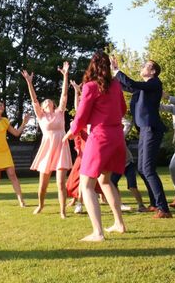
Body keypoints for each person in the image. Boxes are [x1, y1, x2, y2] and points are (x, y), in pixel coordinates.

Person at [63, 51, 127, 242]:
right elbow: (123, 109)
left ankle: (98, 233)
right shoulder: (116, 85)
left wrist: (69, 133)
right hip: (117, 137)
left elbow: (81, 117)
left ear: (91, 66)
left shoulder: (90, 87)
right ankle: (119, 224)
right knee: (105, 181)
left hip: (100, 138)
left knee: (86, 185)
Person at [111, 57, 172, 218]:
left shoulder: (154, 83)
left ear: (152, 71)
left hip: (151, 128)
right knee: (142, 169)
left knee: (148, 169)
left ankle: (163, 209)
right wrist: (113, 72)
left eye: (146, 66)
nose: (143, 66)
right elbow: (126, 85)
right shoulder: (144, 88)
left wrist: (118, 72)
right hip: (144, 130)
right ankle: (154, 203)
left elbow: (133, 84)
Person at [21, 62, 73, 218]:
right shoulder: (41, 116)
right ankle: (40, 205)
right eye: (44, 102)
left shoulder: (59, 113)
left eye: (49, 101)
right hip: (47, 150)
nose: (47, 101)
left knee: (60, 184)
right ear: (42, 108)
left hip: (61, 148)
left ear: (53, 104)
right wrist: (29, 82)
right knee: (42, 186)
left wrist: (65, 76)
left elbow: (64, 96)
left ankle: (63, 211)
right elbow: (34, 99)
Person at [110, 118, 148, 212]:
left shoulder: (120, 135)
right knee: (112, 183)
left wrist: (117, 115)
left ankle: (141, 205)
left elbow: (127, 124)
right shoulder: (104, 142)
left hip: (128, 163)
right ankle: (120, 204)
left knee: (132, 186)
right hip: (116, 165)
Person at [66, 80, 89, 214]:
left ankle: (80, 202)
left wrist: (77, 91)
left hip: (89, 147)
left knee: (97, 178)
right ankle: (78, 202)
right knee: (78, 177)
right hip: (82, 149)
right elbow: (77, 106)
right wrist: (76, 90)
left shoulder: (89, 114)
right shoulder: (80, 117)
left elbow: (80, 104)